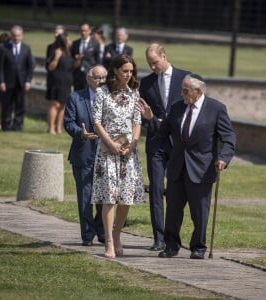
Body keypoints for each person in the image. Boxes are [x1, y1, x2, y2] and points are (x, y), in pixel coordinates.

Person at [137, 73, 236, 259]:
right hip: (177, 167)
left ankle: (198, 247)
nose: (182, 94)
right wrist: (151, 119)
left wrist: (223, 157)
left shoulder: (216, 109)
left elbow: (229, 137)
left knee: (199, 212)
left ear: (198, 91)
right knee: (173, 210)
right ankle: (171, 245)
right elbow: (162, 131)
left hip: (201, 169)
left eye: (185, 90)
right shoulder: (177, 107)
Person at [91, 54, 144, 259]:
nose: (129, 75)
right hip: (107, 151)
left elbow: (137, 121)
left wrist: (133, 144)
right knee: (110, 197)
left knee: (126, 197)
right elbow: (96, 121)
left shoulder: (134, 92)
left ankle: (118, 234)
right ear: (115, 71)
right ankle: (109, 243)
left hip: (128, 152)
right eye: (125, 71)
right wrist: (110, 144)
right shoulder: (102, 92)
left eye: (131, 71)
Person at [139, 42, 191, 251]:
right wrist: (150, 120)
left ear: (164, 55)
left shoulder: (185, 78)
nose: (152, 67)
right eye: (149, 64)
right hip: (156, 143)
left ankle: (173, 237)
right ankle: (159, 237)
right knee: (156, 190)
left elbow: (193, 109)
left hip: (178, 144)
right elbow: (141, 114)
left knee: (177, 192)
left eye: (155, 62)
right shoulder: (146, 83)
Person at [64, 65, 107, 246]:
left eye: (104, 77)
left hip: (106, 154)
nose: (101, 81)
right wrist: (80, 133)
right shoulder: (76, 98)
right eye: (97, 77)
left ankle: (102, 230)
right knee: (86, 196)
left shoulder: (111, 97)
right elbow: (68, 122)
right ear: (89, 79)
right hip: (84, 154)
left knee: (105, 196)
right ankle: (87, 235)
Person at [0, 25, 34, 131]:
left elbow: (30, 67)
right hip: (8, 82)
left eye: (18, 36)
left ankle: (18, 125)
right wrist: (1, 81)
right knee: (7, 105)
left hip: (21, 82)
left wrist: (28, 81)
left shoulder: (26, 48)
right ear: (11, 35)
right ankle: (6, 125)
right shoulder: (4, 48)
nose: (16, 38)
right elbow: (0, 67)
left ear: (22, 36)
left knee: (20, 105)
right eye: (14, 35)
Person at [46, 34, 73, 134]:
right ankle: (51, 128)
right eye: (67, 40)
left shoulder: (69, 53)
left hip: (66, 82)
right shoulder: (55, 51)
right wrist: (56, 57)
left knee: (63, 105)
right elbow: (50, 67)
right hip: (56, 82)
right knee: (54, 104)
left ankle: (59, 127)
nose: (69, 42)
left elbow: (71, 67)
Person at [71, 22, 100, 90]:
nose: (83, 33)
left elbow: (98, 61)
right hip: (77, 76)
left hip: (89, 76)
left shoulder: (95, 43)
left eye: (85, 31)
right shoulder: (75, 43)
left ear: (89, 31)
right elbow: (72, 59)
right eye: (81, 31)